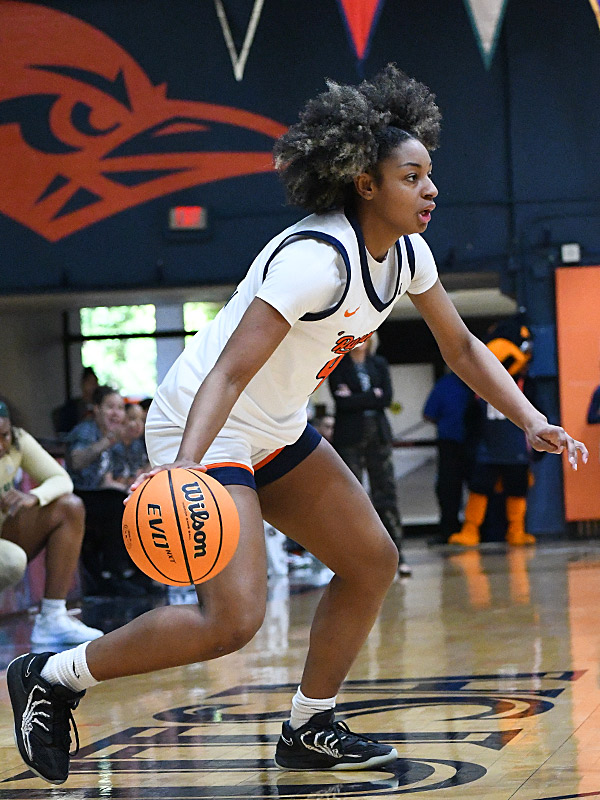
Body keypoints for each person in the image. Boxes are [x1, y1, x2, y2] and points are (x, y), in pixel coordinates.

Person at [7, 64, 587, 786]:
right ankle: (52, 675)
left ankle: (310, 724)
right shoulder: (314, 260)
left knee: (371, 560)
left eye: (430, 175)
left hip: (276, 427)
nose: (431, 189)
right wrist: (184, 467)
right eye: (413, 176)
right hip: (206, 422)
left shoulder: (407, 254)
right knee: (232, 621)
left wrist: (531, 418)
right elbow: (227, 373)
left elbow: (463, 348)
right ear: (366, 184)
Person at [0, 396, 103, 644]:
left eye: (4, 435)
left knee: (70, 507)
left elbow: (62, 480)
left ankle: (52, 619)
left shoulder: (18, 441)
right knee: (11, 560)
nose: (1, 445)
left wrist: (34, 497)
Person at [448, 320, 537, 546]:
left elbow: (539, 413)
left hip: (516, 449)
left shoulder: (527, 384)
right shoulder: (479, 386)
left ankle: (516, 530)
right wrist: (470, 446)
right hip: (486, 449)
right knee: (479, 488)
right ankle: (470, 530)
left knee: (517, 489)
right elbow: (471, 419)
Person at [329, 335, 411, 577]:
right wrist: (370, 396)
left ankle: (398, 556)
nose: (360, 340)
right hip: (349, 437)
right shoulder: (337, 364)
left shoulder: (380, 364)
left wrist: (355, 397)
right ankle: (354, 560)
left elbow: (386, 398)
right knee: (352, 497)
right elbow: (340, 402)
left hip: (379, 435)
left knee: (386, 494)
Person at [65, 386, 148, 596]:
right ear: (97, 409)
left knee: (138, 500)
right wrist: (108, 441)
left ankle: (141, 571)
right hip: (79, 496)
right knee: (117, 504)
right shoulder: (87, 430)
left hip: (102, 493)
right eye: (110, 407)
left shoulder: (119, 438)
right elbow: (76, 461)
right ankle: (115, 573)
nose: (116, 413)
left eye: (120, 408)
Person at [423, 370, 474, 543]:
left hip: (473, 441)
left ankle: (468, 529)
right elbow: (428, 413)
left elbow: (429, 414)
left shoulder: (448, 383)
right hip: (453, 442)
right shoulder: (447, 384)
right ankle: (450, 530)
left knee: (478, 487)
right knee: (449, 489)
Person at [52, 366, 99, 436]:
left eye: (95, 383)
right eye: (90, 382)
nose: (94, 386)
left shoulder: (100, 405)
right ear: (83, 384)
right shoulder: (71, 407)